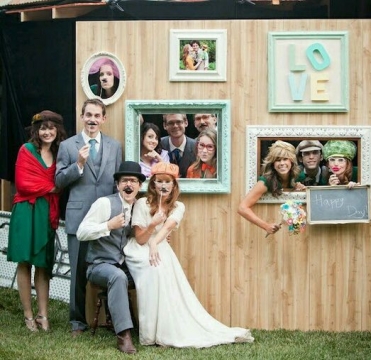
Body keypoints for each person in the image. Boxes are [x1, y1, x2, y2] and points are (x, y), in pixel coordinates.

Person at [123, 162, 254, 347]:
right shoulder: (141, 204)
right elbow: (140, 239)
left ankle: (166, 327)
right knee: (154, 271)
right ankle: (149, 332)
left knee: (163, 270)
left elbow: (166, 229)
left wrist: (155, 241)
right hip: (138, 248)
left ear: (174, 185)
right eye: (159, 181)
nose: (163, 185)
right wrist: (152, 224)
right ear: (153, 184)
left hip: (158, 245)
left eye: (167, 182)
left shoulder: (178, 207)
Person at [55, 98, 122, 337]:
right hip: (78, 218)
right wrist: (79, 165)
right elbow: (59, 181)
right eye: (88, 115)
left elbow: (118, 184)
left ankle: (113, 318)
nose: (92, 119)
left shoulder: (115, 146)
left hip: (107, 220)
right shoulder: (68, 146)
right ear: (82, 117)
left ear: (104, 119)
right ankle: (77, 322)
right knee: (77, 273)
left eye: (97, 115)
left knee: (110, 266)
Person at [76, 161, 145, 354]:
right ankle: (123, 336)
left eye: (133, 181)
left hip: (125, 265)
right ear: (117, 185)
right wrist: (108, 226)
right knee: (117, 276)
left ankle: (151, 330)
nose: (128, 185)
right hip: (98, 266)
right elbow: (82, 232)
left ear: (139, 186)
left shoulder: (139, 207)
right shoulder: (105, 203)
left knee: (152, 273)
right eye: (124, 181)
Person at [7, 110, 67, 331]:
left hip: (46, 212)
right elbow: (24, 185)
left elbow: (65, 178)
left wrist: (55, 188)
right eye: (43, 128)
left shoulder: (60, 153)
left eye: (51, 128)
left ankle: (43, 315)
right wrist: (53, 187)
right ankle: (28, 315)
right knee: (25, 262)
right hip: (26, 210)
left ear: (57, 130)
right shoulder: (27, 150)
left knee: (43, 264)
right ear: (36, 131)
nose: (47, 132)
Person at [237, 140, 306, 236]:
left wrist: (300, 189)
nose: (282, 163)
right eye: (277, 160)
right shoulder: (265, 181)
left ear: (291, 161)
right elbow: (242, 208)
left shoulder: (300, 176)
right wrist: (266, 226)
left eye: (285, 159)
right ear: (273, 164)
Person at [160, 113, 196, 178]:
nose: (175, 126)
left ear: (186, 122)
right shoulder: (158, 145)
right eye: (171, 123)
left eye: (179, 122)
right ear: (164, 125)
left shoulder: (197, 146)